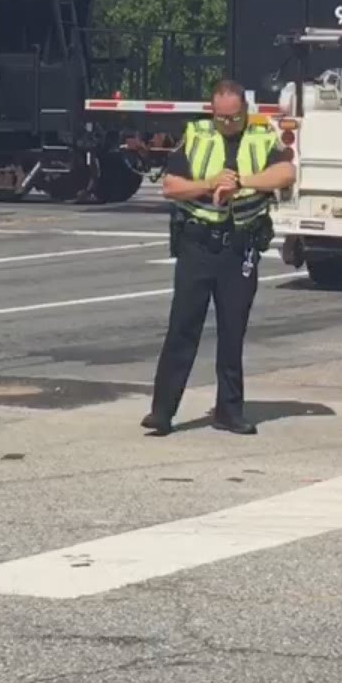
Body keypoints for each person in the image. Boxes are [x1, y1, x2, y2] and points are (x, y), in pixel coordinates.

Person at [143, 80, 296, 436]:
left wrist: (241, 182)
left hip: (239, 246)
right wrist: (210, 184)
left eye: (234, 117)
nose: (227, 123)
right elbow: (171, 186)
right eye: (220, 117)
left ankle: (230, 410)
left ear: (245, 112)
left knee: (232, 332)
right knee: (182, 327)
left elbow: (286, 173)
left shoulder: (260, 137)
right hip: (198, 245)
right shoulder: (196, 135)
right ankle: (162, 412)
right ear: (211, 111)